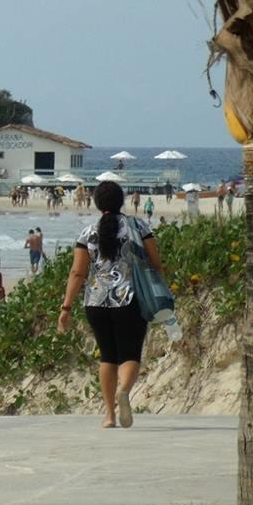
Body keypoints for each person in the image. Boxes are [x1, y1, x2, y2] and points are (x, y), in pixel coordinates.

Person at [57, 181, 164, 429]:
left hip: (96, 302)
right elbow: (156, 262)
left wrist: (66, 307)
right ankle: (124, 391)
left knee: (107, 357)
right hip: (131, 299)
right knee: (130, 354)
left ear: (97, 203)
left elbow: (76, 273)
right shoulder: (138, 226)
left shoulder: (88, 232)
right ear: (121, 200)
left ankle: (109, 415)